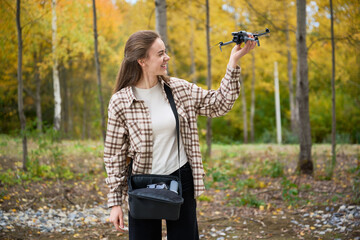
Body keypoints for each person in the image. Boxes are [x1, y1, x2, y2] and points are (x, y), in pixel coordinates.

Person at [104, 30, 256, 240]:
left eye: (165, 52)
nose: (167, 57)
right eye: (160, 53)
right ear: (142, 61)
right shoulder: (120, 102)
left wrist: (233, 62)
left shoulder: (178, 89)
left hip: (180, 180)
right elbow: (114, 156)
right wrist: (115, 203)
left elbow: (219, 104)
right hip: (142, 185)